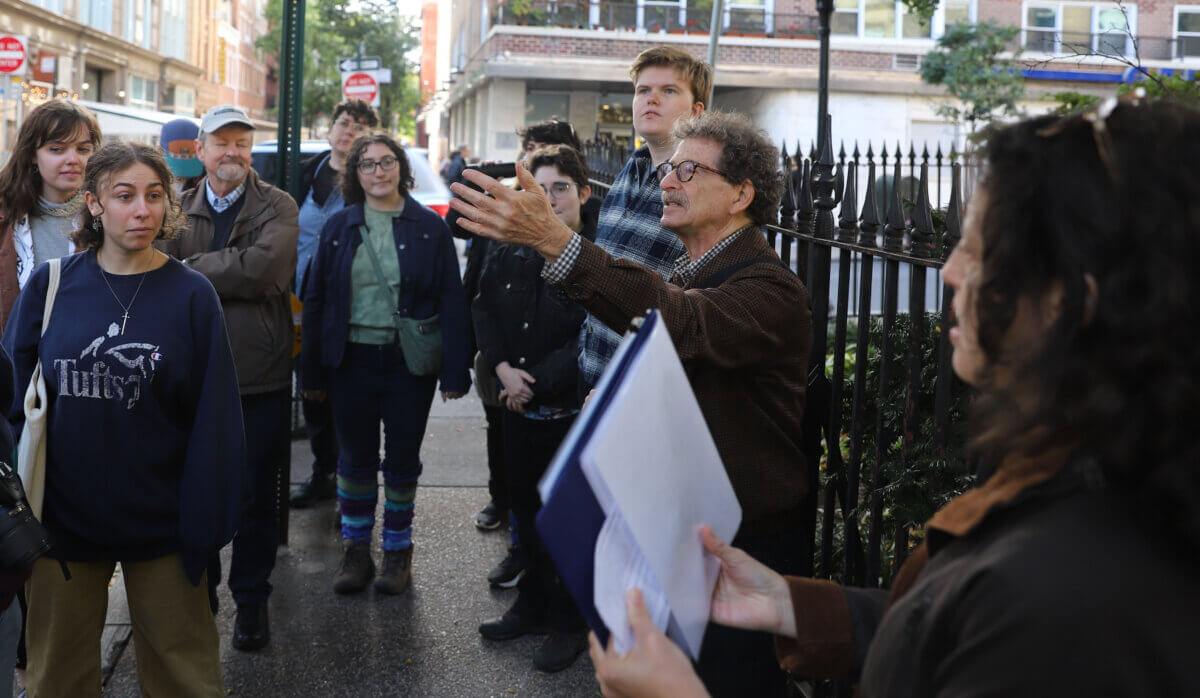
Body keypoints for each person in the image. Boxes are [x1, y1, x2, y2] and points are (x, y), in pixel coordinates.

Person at [588, 97, 1200, 696]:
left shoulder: (1072, 588)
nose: (950, 270)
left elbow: (1003, 622)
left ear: (1073, 300)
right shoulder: (1075, 480)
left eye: (983, 247)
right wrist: (794, 606)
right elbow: (949, 630)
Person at [451, 111, 810, 697]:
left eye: (689, 170)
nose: (667, 180)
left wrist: (555, 240)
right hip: (687, 536)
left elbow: (682, 326)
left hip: (743, 547)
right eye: (669, 168)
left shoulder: (770, 289)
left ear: (742, 193)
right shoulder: (690, 270)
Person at [3, 141, 244, 697]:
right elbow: (12, 399)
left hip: (164, 524)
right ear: (93, 204)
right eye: (125, 195)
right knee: (56, 678)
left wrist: (206, 523)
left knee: (185, 676)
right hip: (61, 524)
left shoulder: (192, 294)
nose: (142, 210)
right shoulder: (52, 284)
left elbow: (216, 420)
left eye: (155, 196)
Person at [301, 134, 470, 597]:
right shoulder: (339, 227)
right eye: (368, 164)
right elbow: (316, 300)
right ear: (355, 174)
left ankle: (397, 551)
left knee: (400, 461)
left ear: (401, 168)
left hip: (405, 366)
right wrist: (311, 372)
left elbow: (451, 299)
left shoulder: (428, 227)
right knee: (353, 460)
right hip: (349, 361)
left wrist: (456, 370)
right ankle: (356, 551)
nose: (379, 171)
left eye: (387, 162)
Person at [157, 104, 299, 652]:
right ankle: (204, 593)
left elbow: (267, 270)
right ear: (202, 149)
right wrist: (225, 266)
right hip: (192, 373)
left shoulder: (277, 204)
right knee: (195, 489)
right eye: (222, 143)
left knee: (256, 497)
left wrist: (187, 272)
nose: (232, 152)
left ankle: (252, 600)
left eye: (242, 142)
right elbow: (153, 260)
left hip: (257, 373)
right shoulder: (177, 203)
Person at [473, 145, 596, 672]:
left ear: (583, 193)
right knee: (526, 514)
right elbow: (484, 309)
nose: (548, 199)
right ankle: (532, 606)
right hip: (516, 411)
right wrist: (501, 370)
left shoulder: (596, 259)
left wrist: (535, 382)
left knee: (567, 524)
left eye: (560, 188)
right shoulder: (509, 250)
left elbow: (594, 333)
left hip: (568, 416)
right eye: (538, 189)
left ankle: (569, 623)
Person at [578, 46, 710, 396]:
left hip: (644, 394)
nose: (651, 99)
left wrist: (623, 388)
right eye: (642, 90)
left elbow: (694, 314)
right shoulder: (631, 168)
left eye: (669, 90)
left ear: (697, 110)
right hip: (593, 377)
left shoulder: (703, 189)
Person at [289, 98, 379, 510]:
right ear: (330, 128)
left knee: (347, 395)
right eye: (344, 123)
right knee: (312, 392)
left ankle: (352, 480)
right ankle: (322, 474)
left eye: (359, 127)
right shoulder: (305, 174)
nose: (349, 131)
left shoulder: (371, 183)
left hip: (349, 307)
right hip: (301, 305)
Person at [0, 99, 101, 333]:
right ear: (33, 154)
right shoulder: (6, 216)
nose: (73, 159)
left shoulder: (107, 218)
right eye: (57, 149)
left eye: (83, 149)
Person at [159, 118, 204, 193]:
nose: (183, 177)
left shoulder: (204, 180)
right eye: (176, 157)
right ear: (160, 151)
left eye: (191, 157)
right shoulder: (151, 176)